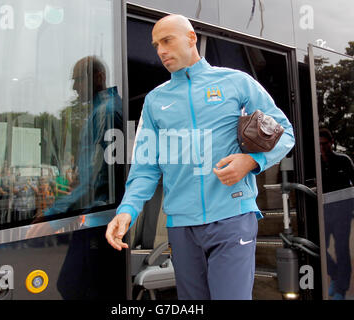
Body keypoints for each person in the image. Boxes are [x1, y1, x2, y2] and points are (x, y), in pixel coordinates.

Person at [106, 14, 295, 300]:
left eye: (167, 40)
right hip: (182, 226)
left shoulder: (236, 82)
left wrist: (252, 161)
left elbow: (286, 134)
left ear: (191, 38)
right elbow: (145, 166)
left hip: (233, 217)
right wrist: (127, 210)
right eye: (156, 44)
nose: (160, 51)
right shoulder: (155, 101)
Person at [26, 55, 123, 236]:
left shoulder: (106, 112)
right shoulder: (103, 109)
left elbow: (98, 181)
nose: (74, 87)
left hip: (101, 222)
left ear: (98, 77)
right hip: (99, 217)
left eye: (78, 80)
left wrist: (54, 217)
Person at [319, 127, 354, 300]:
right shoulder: (315, 164)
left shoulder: (344, 161)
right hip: (323, 213)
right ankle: (334, 275)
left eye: (325, 144)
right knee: (320, 247)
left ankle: (341, 289)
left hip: (342, 213)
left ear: (331, 143)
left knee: (342, 250)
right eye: (319, 145)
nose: (322, 147)